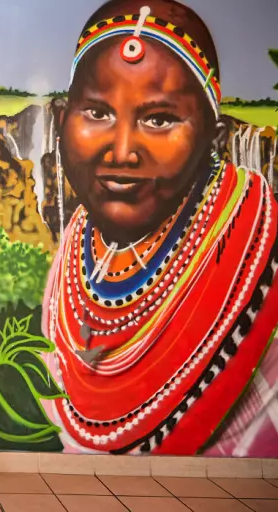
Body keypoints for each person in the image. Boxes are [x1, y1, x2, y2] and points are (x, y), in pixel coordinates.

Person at [42, 0, 278, 456]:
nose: (122, 151)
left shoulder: (258, 250)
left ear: (215, 137)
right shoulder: (78, 242)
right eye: (97, 113)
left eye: (159, 119)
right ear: (61, 119)